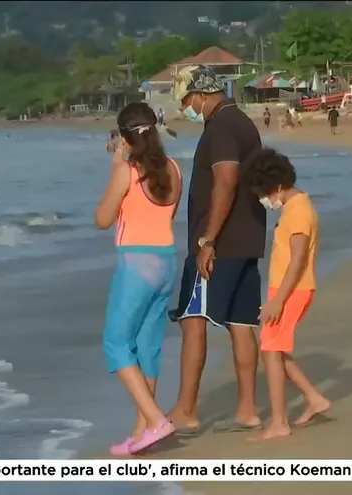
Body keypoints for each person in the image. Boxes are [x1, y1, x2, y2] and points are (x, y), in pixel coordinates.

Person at [168, 64, 266, 435]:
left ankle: (186, 410)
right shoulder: (242, 122)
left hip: (220, 243)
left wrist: (207, 240)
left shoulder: (222, 127)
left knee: (193, 320)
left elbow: (225, 182)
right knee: (241, 323)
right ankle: (247, 410)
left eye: (187, 100)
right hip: (248, 238)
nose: (185, 108)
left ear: (201, 94)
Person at [94, 102, 183, 455]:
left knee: (116, 343)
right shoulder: (174, 169)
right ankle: (142, 430)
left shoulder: (128, 171)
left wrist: (116, 166)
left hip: (136, 265)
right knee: (148, 347)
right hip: (166, 262)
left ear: (125, 138)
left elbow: (103, 218)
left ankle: (157, 420)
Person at [244, 148, 330, 441]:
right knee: (274, 348)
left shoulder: (298, 211)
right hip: (287, 289)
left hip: (292, 290)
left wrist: (278, 300)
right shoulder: (296, 207)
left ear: (277, 187)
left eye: (264, 193)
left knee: (270, 351)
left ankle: (279, 422)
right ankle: (314, 398)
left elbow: (297, 260)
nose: (264, 200)